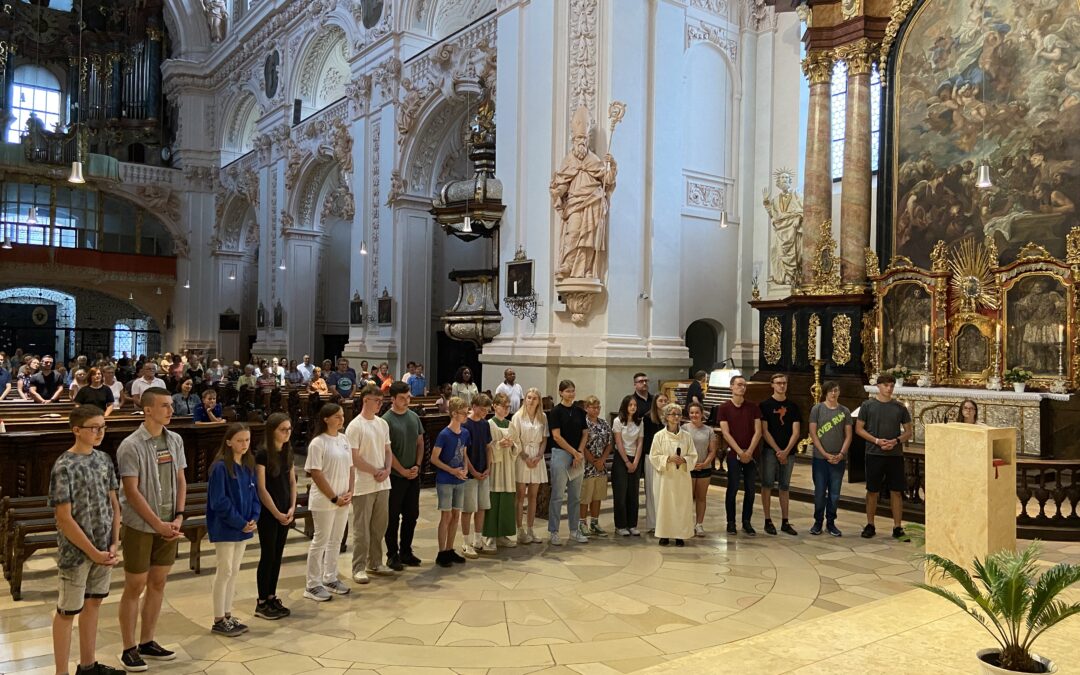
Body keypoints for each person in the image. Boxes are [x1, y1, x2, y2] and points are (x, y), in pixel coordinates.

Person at [49, 405, 124, 675]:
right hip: (77, 551)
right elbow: (64, 518)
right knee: (68, 611)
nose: (100, 432)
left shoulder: (104, 459)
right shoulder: (64, 465)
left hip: (104, 548)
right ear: (77, 430)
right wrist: (92, 551)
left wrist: (114, 543)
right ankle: (61, 671)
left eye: (103, 427)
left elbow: (114, 504)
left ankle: (88, 665)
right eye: (94, 427)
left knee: (94, 602)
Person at [116, 387, 186, 671]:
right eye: (165, 406)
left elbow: (181, 479)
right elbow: (131, 492)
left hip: (170, 520)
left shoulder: (175, 440)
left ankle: (147, 640)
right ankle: (128, 648)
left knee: (158, 582)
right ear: (147, 409)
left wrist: (179, 516)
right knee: (135, 585)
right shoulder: (131, 445)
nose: (171, 411)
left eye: (171, 405)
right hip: (140, 525)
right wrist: (157, 524)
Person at [206, 424, 259, 637]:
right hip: (226, 527)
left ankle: (228, 614)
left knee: (234, 571)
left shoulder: (247, 465)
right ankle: (218, 618)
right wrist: (239, 522)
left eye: (247, 440)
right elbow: (219, 501)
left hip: (244, 525)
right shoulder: (220, 467)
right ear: (229, 442)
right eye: (239, 440)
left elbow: (254, 496)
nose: (244, 444)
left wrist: (254, 517)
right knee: (225, 570)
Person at [303, 404, 354, 601]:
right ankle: (312, 584)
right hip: (325, 499)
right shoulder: (318, 443)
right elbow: (316, 473)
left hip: (343, 498)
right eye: (337, 416)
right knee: (321, 541)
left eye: (342, 416)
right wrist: (334, 497)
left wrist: (350, 491)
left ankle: (330, 577)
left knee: (336, 540)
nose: (342, 419)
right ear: (326, 419)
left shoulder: (343, 440)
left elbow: (350, 467)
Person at [346, 384, 395, 584]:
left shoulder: (382, 424)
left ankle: (375, 562)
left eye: (381, 401)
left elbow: (388, 451)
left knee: (379, 526)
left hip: (383, 483)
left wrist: (388, 469)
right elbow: (354, 457)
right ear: (366, 400)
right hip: (364, 483)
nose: (379, 405)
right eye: (377, 401)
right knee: (362, 528)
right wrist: (375, 471)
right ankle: (358, 567)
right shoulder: (355, 426)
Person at [855, 373, 912, 539]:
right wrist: (877, 441)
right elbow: (859, 429)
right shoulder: (868, 405)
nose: (889, 389)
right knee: (872, 490)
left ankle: (897, 527)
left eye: (892, 386)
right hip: (874, 452)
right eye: (886, 385)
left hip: (894, 454)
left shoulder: (900, 407)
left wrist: (895, 441)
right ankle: (870, 524)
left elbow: (908, 432)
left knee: (896, 491)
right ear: (878, 386)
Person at [254, 413, 296, 619]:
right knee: (268, 555)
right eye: (283, 429)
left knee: (278, 555)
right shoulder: (262, 454)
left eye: (289, 429)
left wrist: (291, 508)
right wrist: (277, 513)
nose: (287, 433)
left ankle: (271, 596)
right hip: (269, 512)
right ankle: (261, 602)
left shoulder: (287, 451)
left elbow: (293, 483)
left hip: (285, 510)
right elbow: (261, 488)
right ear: (272, 431)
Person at [383, 382, 425, 571]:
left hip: (412, 475)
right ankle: (392, 554)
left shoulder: (414, 417)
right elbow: (388, 451)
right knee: (392, 517)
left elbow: (420, 442)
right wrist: (402, 470)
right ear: (393, 399)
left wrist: (416, 465)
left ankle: (406, 551)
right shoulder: (386, 420)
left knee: (412, 515)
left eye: (408, 397)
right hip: (395, 476)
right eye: (402, 398)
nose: (406, 401)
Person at [716, 375, 762, 537]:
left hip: (751, 454)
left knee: (750, 489)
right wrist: (740, 451)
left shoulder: (753, 407)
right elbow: (726, 433)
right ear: (731, 387)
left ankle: (747, 522)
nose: (742, 387)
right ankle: (731, 522)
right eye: (739, 385)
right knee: (733, 488)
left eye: (744, 385)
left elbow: (758, 431)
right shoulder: (724, 408)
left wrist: (749, 451)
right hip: (734, 453)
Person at [548, 380, 589, 545]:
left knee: (575, 496)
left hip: (577, 455)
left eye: (573, 391)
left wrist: (579, 452)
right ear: (560, 393)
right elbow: (556, 436)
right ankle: (554, 531)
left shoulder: (579, 411)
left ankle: (574, 530)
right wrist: (573, 452)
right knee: (557, 496)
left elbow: (585, 433)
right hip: (561, 454)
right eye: (567, 391)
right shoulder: (556, 411)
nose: (571, 394)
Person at [759, 373, 801, 536]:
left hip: (788, 452)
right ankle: (768, 520)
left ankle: (785, 521)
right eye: (778, 383)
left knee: (785, 486)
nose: (782, 386)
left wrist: (786, 451)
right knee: (767, 484)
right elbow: (764, 430)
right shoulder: (765, 405)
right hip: (771, 451)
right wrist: (778, 450)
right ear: (772, 385)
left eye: (784, 383)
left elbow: (796, 432)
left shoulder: (793, 406)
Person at [808, 382, 852, 536]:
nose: (834, 393)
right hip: (821, 458)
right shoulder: (817, 409)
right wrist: (824, 453)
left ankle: (831, 522)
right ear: (825, 392)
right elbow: (813, 433)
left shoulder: (844, 411)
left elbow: (848, 435)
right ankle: (818, 521)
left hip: (838, 459)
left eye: (836, 390)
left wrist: (841, 454)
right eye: (831, 391)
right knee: (820, 492)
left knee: (834, 493)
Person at [651, 402, 696, 546]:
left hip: (681, 477)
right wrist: (668, 459)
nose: (676, 417)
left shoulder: (687, 436)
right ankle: (664, 534)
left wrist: (685, 459)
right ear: (666, 416)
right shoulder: (659, 436)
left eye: (678, 414)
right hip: (665, 477)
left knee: (681, 505)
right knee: (665, 505)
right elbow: (653, 456)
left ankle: (680, 535)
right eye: (673, 414)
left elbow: (693, 455)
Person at [432, 397, 470, 568]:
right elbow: (434, 458)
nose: (466, 416)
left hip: (459, 478)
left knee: (456, 515)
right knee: (446, 515)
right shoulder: (444, 434)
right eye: (463, 413)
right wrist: (451, 470)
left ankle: (450, 548)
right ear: (454, 414)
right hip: (446, 479)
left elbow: (464, 453)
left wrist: (466, 468)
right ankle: (441, 551)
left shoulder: (465, 432)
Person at [511, 387, 548, 544]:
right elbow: (515, 439)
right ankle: (519, 530)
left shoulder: (543, 417)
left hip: (537, 457)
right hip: (522, 455)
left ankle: (531, 529)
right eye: (529, 397)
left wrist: (539, 456)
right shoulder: (518, 416)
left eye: (534, 398)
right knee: (520, 495)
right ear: (524, 399)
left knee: (533, 496)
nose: (531, 400)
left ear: (539, 401)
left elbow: (544, 438)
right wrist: (526, 457)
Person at [483, 392, 520, 548]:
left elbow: (518, 444)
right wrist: (498, 445)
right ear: (494, 406)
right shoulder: (489, 424)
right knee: (493, 500)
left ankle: (503, 535)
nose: (506, 409)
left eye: (508, 407)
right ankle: (490, 536)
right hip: (495, 467)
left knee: (506, 501)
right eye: (503, 406)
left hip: (508, 467)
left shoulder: (511, 424)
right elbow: (486, 446)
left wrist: (512, 445)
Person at [461, 394, 493, 556]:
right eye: (482, 409)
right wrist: (472, 470)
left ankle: (478, 540)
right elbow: (463, 452)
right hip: (470, 472)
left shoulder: (485, 424)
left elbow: (488, 447)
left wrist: (489, 467)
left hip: (483, 470)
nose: (485, 412)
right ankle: (466, 542)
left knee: (481, 507)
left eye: (487, 409)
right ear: (473, 406)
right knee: (468, 508)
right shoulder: (465, 424)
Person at [682, 402, 717, 537]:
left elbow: (712, 451)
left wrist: (704, 463)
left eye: (697, 412)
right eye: (691, 413)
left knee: (701, 498)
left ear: (702, 414)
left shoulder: (709, 430)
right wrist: (690, 462)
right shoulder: (684, 428)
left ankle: (699, 524)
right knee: (687, 497)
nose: (694, 415)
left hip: (704, 467)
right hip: (688, 467)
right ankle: (686, 524)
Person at [579, 395, 612, 537]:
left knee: (597, 495)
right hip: (587, 465)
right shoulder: (583, 423)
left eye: (598, 407)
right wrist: (593, 461)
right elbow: (581, 444)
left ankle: (594, 522)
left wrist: (602, 460)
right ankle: (582, 523)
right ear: (586, 408)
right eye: (593, 407)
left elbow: (610, 442)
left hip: (601, 464)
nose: (596, 409)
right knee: (585, 495)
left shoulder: (604, 423)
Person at [611, 395, 643, 536]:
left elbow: (640, 442)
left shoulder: (640, 422)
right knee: (621, 493)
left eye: (635, 405)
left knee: (633, 493)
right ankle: (620, 525)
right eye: (630, 405)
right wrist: (627, 462)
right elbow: (618, 443)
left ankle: (632, 524)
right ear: (625, 406)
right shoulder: (618, 421)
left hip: (635, 458)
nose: (633, 407)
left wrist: (635, 461)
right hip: (621, 458)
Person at [641, 393, 669, 532]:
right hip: (651, 456)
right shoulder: (648, 417)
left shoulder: (671, 418)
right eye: (660, 400)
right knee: (651, 489)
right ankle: (653, 523)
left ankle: (665, 521)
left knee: (664, 490)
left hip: (667, 458)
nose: (663, 403)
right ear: (655, 402)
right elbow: (646, 439)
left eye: (665, 400)